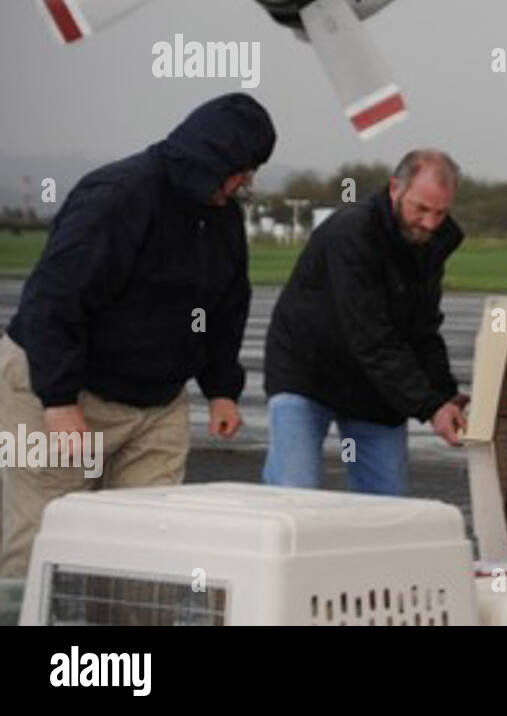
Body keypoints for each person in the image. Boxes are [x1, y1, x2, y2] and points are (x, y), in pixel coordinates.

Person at [0, 93, 275, 577]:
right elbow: (52, 301)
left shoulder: (223, 219)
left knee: (148, 550)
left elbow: (222, 309)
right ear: (212, 158)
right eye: (242, 170)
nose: (245, 183)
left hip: (156, 405)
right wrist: (59, 402)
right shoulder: (116, 196)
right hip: (61, 389)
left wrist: (222, 390)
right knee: (41, 545)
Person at [262, 149, 469, 495]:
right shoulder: (352, 233)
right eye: (421, 209)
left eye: (441, 212)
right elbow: (370, 335)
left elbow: (422, 329)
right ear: (394, 189)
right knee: (293, 492)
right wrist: (430, 406)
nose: (431, 223)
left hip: (375, 384)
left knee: (386, 502)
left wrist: (446, 395)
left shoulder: (433, 242)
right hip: (308, 371)